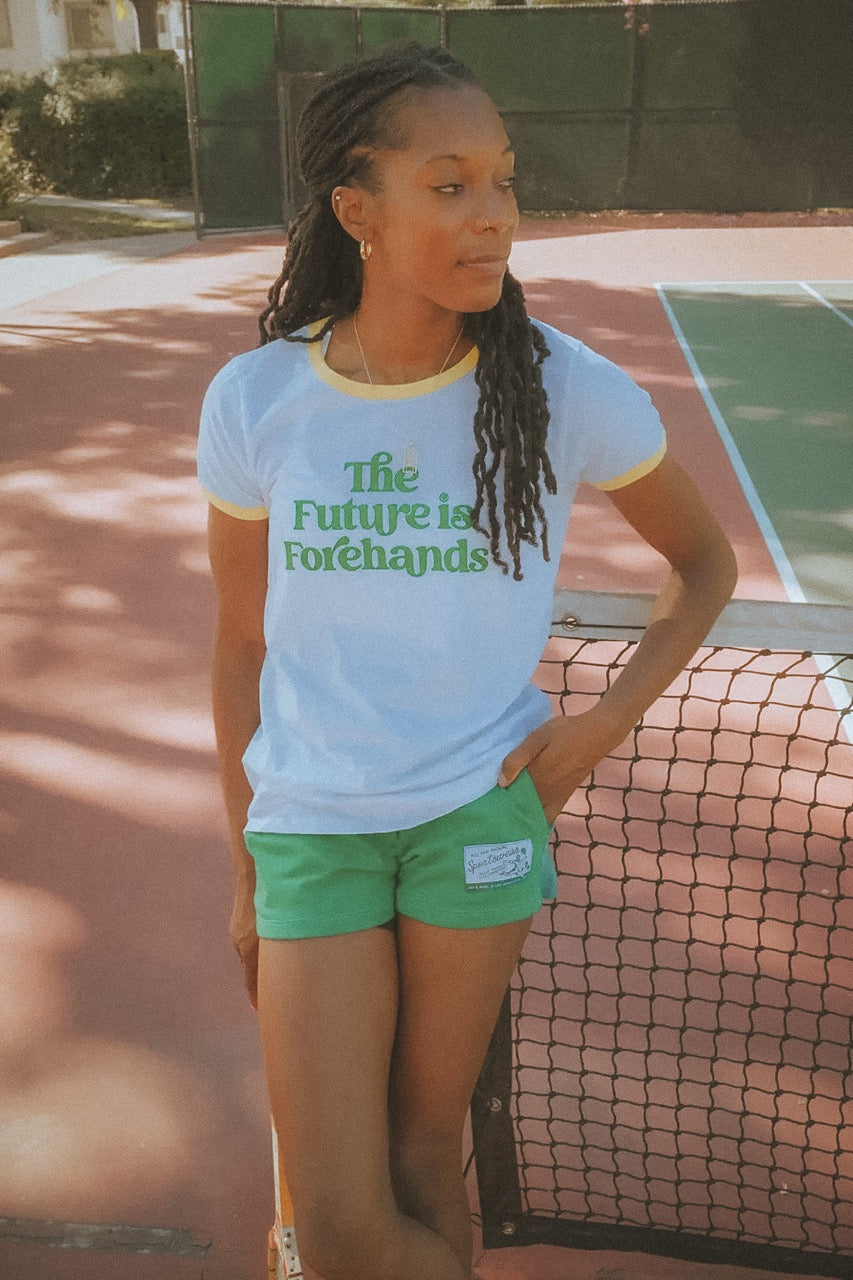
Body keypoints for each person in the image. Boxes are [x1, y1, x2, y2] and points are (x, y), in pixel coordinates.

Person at [197, 43, 737, 1280]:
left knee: (425, 1148)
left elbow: (700, 566)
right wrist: (242, 869)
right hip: (314, 832)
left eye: (501, 180)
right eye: (448, 185)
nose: (493, 212)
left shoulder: (562, 387)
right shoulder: (256, 400)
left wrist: (598, 727)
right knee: (334, 1220)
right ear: (356, 211)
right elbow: (237, 645)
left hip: (477, 823)